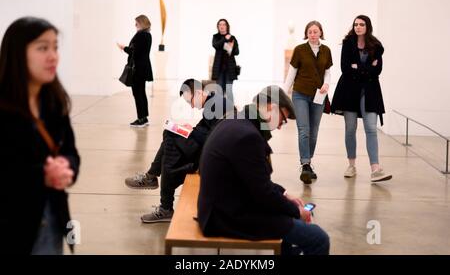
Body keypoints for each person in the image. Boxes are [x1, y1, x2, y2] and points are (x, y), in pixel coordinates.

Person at [197, 86, 330, 255]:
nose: (281, 126)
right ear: (270, 107)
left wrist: (284, 194)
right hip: (227, 216)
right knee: (318, 238)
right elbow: (263, 193)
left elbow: (254, 179)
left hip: (221, 206)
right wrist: (296, 211)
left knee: (288, 220)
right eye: (283, 118)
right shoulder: (248, 136)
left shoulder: (238, 120)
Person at [0, 17, 80, 254]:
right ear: (17, 54)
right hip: (11, 227)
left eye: (55, 47)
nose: (53, 55)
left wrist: (67, 168)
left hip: (51, 221)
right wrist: (42, 176)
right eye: (42, 48)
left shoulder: (54, 103)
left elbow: (70, 152)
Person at [125, 79, 234, 223]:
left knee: (170, 141)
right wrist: (189, 130)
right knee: (170, 138)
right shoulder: (215, 102)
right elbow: (208, 131)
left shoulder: (216, 105)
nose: (192, 106)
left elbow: (212, 139)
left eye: (191, 101)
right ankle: (158, 192)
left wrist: (191, 132)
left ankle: (160, 196)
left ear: (199, 92)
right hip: (210, 151)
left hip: (214, 156)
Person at [331, 15, 392, 183]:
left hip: (370, 91)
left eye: (361, 24)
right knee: (350, 128)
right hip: (349, 91)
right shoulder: (348, 43)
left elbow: (377, 70)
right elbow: (345, 68)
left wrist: (358, 67)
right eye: (356, 24)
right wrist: (366, 68)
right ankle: (351, 165)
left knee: (371, 128)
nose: (358, 27)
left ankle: (376, 169)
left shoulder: (376, 46)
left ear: (367, 26)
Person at [283, 21, 333, 184]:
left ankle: (308, 163)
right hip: (300, 94)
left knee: (314, 131)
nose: (313, 34)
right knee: (304, 129)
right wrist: (283, 93)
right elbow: (292, 73)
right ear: (307, 34)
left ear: (320, 33)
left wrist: (327, 84)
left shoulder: (326, 51)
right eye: (310, 32)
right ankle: (305, 164)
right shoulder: (299, 50)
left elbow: (327, 72)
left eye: (315, 31)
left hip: (319, 95)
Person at [117, 15, 153, 127]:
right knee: (141, 93)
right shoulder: (148, 35)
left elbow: (134, 52)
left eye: (137, 23)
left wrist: (124, 48)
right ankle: (144, 117)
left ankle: (141, 119)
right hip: (143, 68)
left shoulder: (141, 35)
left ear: (142, 23)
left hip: (138, 69)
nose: (135, 25)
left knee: (138, 93)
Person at [211, 18, 239, 104]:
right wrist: (225, 39)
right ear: (218, 27)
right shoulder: (215, 37)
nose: (222, 26)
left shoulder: (232, 37)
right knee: (219, 92)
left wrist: (231, 47)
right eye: (220, 24)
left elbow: (237, 52)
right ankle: (219, 112)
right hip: (219, 69)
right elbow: (216, 45)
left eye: (224, 24)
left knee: (229, 91)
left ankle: (232, 113)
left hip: (229, 69)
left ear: (227, 26)